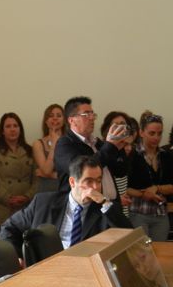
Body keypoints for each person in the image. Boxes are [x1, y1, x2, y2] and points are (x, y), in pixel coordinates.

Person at [0, 155, 132, 254]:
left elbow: (129, 237)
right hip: (46, 267)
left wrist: (104, 202)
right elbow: (9, 227)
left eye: (98, 181)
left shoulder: (105, 208)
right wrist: (18, 256)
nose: (95, 187)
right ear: (72, 182)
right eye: (89, 181)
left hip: (85, 270)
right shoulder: (43, 202)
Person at [54, 96, 129, 198]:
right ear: (72, 120)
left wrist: (119, 147)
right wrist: (110, 146)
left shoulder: (97, 143)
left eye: (92, 114)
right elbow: (82, 170)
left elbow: (121, 172)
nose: (92, 118)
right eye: (86, 115)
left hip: (111, 204)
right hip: (82, 205)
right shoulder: (64, 144)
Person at [0, 112, 38, 241]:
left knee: (22, 251)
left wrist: (27, 196)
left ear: (20, 129)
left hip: (23, 210)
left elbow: (37, 179)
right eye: (8, 126)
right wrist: (5, 197)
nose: (12, 129)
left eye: (15, 126)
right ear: (2, 131)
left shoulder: (30, 150)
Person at [126, 111, 173, 241]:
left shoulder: (166, 156)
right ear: (141, 132)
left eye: (159, 133)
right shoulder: (132, 154)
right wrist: (143, 194)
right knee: (141, 251)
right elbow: (123, 187)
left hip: (161, 214)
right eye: (152, 133)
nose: (156, 137)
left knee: (160, 251)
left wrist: (157, 188)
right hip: (138, 213)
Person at [99, 111, 136, 216]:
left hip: (122, 205)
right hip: (105, 206)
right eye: (116, 125)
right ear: (108, 129)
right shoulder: (102, 150)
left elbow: (122, 174)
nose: (120, 128)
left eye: (123, 124)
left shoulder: (124, 150)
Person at [32, 104, 66, 193]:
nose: (55, 118)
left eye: (59, 116)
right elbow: (47, 170)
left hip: (66, 191)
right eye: (51, 116)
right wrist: (54, 143)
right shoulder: (38, 143)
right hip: (45, 191)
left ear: (64, 120)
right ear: (46, 121)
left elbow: (74, 174)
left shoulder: (70, 142)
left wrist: (52, 175)